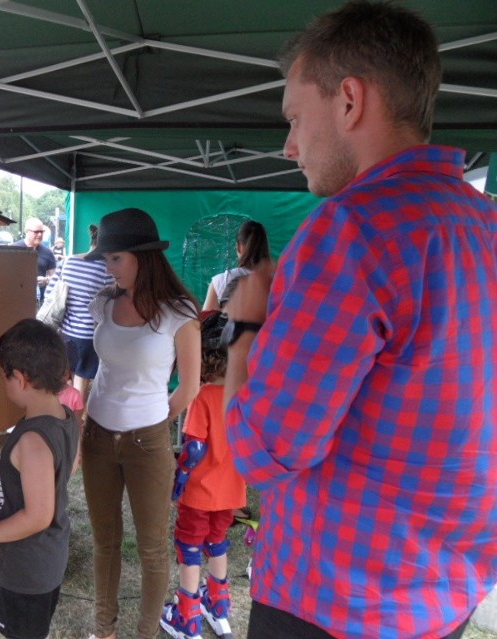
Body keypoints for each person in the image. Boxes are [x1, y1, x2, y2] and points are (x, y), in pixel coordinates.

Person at [222, 3, 497, 639]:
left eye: (294, 118)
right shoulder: (483, 226)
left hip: (334, 601)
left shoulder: (353, 228)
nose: (289, 146)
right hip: (441, 598)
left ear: (349, 101)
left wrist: (245, 333)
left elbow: (264, 450)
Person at [82, 207, 201, 639]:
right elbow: (98, 369)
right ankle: (104, 630)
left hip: (148, 442)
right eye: (105, 258)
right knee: (105, 542)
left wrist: (150, 420)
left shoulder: (179, 312)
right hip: (96, 434)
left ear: (143, 256)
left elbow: (189, 389)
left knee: (152, 548)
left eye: (115, 258)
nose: (108, 267)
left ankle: (146, 633)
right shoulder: (104, 303)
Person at [0, 318, 79, 639]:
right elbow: (62, 471)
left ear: (21, 379)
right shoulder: (65, 418)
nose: (4, 383)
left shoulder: (32, 440)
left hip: (26, 570)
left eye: (4, 376)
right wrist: (10, 483)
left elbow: (39, 515)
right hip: (39, 561)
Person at [161, 310, 246, 639]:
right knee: (218, 541)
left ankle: (188, 614)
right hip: (231, 491)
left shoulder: (202, 397)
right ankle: (219, 604)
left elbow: (194, 449)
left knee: (190, 546)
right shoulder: (242, 396)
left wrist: (178, 480)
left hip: (200, 493)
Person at [43, 224, 113, 404]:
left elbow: (51, 292)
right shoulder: (106, 269)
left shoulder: (68, 261)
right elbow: (109, 304)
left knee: (65, 378)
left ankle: (61, 416)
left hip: (65, 332)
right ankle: (76, 424)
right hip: (89, 336)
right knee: (81, 382)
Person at [202, 219, 270, 311]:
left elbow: (206, 321)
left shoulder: (221, 281)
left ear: (239, 247)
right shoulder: (277, 281)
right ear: (265, 247)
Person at [13, 217, 56, 307]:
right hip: (16, 300)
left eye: (42, 231)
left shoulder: (48, 252)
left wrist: (46, 280)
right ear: (27, 231)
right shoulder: (13, 249)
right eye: (36, 232)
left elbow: (56, 278)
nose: (40, 235)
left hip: (40, 302)